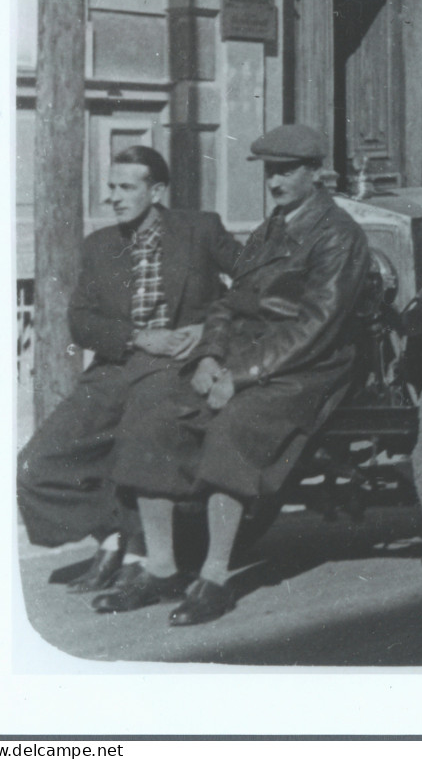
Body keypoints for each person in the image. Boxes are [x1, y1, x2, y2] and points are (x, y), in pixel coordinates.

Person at [97, 124, 371, 626]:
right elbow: (229, 300)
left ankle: (215, 578)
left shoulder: (338, 236)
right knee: (153, 408)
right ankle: (160, 566)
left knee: (235, 425)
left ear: (316, 174)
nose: (275, 181)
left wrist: (238, 376)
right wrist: (208, 356)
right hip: (247, 353)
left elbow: (317, 326)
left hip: (309, 365)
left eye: (286, 171)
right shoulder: (271, 229)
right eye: (270, 171)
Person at [17, 146, 241, 593]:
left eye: (126, 187)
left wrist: (207, 328)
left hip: (177, 366)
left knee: (139, 444)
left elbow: (254, 284)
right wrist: (139, 337)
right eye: (111, 187)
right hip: (117, 365)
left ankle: (143, 550)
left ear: (156, 191)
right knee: (36, 465)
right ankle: (114, 534)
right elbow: (81, 321)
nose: (113, 197)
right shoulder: (100, 246)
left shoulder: (200, 230)